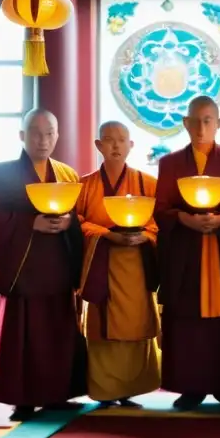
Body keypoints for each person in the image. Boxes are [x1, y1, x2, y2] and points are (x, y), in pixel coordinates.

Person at [0, 109, 87, 421]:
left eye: (50, 133)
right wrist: (29, 223)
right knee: (21, 334)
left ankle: (57, 394)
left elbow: (79, 218)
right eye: (36, 133)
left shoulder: (67, 174)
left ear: (58, 135)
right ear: (22, 136)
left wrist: (68, 223)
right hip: (22, 270)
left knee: (58, 332)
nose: (43, 139)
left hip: (56, 265)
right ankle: (21, 399)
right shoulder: (2, 174)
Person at [154, 96, 220, 411]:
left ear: (219, 124)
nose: (201, 127)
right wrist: (184, 219)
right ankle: (190, 386)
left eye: (208, 120)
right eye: (195, 120)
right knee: (187, 319)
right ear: (184, 123)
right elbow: (160, 208)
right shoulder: (170, 163)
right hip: (187, 251)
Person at [76, 121, 161, 408]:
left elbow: (158, 224)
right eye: (109, 140)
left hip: (134, 266)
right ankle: (103, 389)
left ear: (131, 145)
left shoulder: (147, 183)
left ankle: (130, 388)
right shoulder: (84, 185)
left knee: (134, 323)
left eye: (122, 140)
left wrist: (145, 236)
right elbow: (77, 222)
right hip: (100, 263)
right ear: (98, 145)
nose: (115, 145)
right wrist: (106, 234)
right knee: (101, 327)